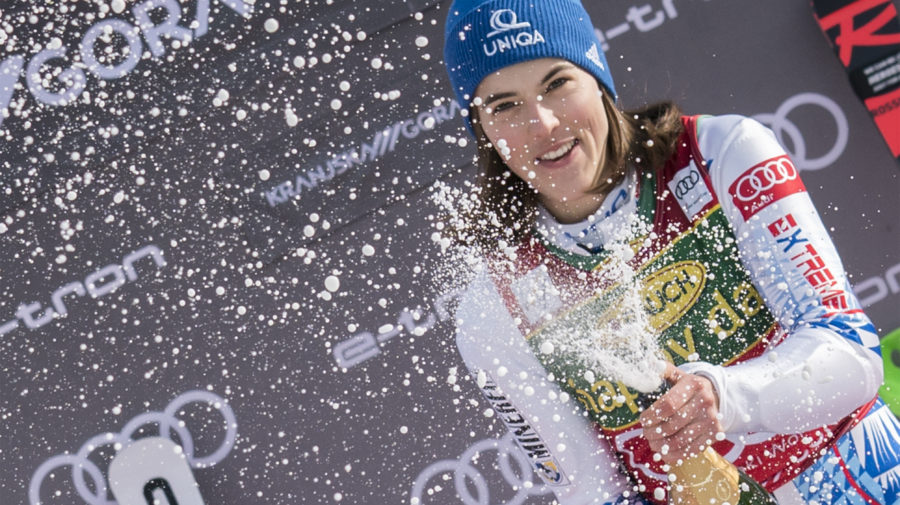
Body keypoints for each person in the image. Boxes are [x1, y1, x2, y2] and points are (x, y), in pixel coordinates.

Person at [441, 0, 900, 503]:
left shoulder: (719, 154)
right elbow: (595, 492)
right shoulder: (492, 306)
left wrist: (724, 396)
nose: (543, 123)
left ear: (597, 76)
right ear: (481, 130)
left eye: (558, 84)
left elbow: (851, 354)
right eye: (505, 106)